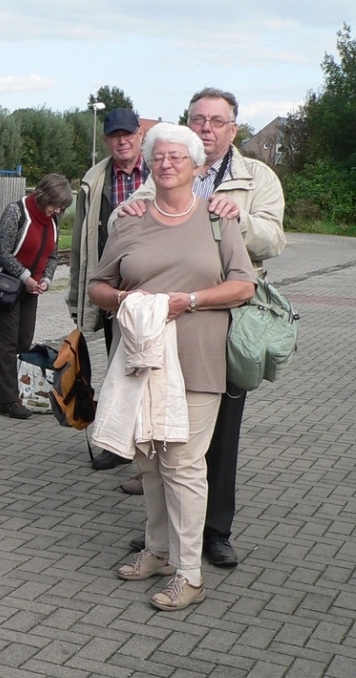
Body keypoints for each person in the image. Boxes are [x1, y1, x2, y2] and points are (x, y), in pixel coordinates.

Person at [89, 123, 256, 611]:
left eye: (176, 158)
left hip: (199, 361)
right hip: (142, 361)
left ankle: (190, 573)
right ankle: (157, 551)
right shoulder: (130, 219)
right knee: (149, 461)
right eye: (157, 157)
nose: (166, 164)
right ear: (148, 164)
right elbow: (99, 284)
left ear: (196, 166)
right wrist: (124, 298)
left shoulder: (216, 218)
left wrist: (189, 301)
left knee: (182, 463)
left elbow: (243, 285)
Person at [122, 89, 286, 563]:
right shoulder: (167, 167)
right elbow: (125, 219)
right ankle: (160, 536)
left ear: (233, 129)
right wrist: (128, 211)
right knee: (156, 428)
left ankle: (214, 531)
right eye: (199, 120)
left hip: (227, 318)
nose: (207, 128)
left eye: (217, 121)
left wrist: (241, 219)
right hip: (163, 319)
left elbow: (274, 239)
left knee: (220, 432)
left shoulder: (257, 176)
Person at [67, 109, 151, 474]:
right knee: (119, 369)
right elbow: (80, 241)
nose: (122, 141)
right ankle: (119, 445)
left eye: (128, 134)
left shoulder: (160, 171)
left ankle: (152, 450)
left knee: (152, 369)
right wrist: (78, 295)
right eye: (115, 135)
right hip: (112, 289)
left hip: (157, 286)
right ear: (106, 140)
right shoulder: (95, 179)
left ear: (140, 136)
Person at [0, 173, 72, 419]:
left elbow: (53, 255)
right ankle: (9, 401)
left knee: (23, 341)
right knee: (7, 343)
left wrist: (46, 279)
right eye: (55, 204)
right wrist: (26, 277)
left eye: (61, 207)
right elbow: (2, 252)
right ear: (43, 196)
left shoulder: (53, 220)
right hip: (7, 287)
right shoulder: (16, 212)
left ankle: (2, 392)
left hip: (30, 288)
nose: (57, 210)